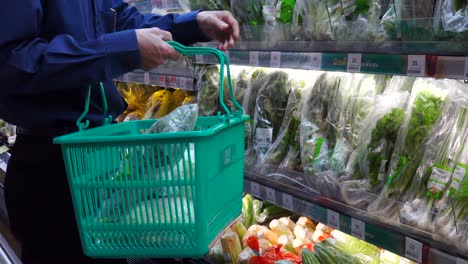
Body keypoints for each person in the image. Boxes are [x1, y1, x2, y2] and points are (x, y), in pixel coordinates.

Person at [0, 1, 239, 263]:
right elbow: (12, 60)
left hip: (101, 161)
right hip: (50, 169)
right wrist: (121, 48)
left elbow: (123, 21)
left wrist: (194, 24)